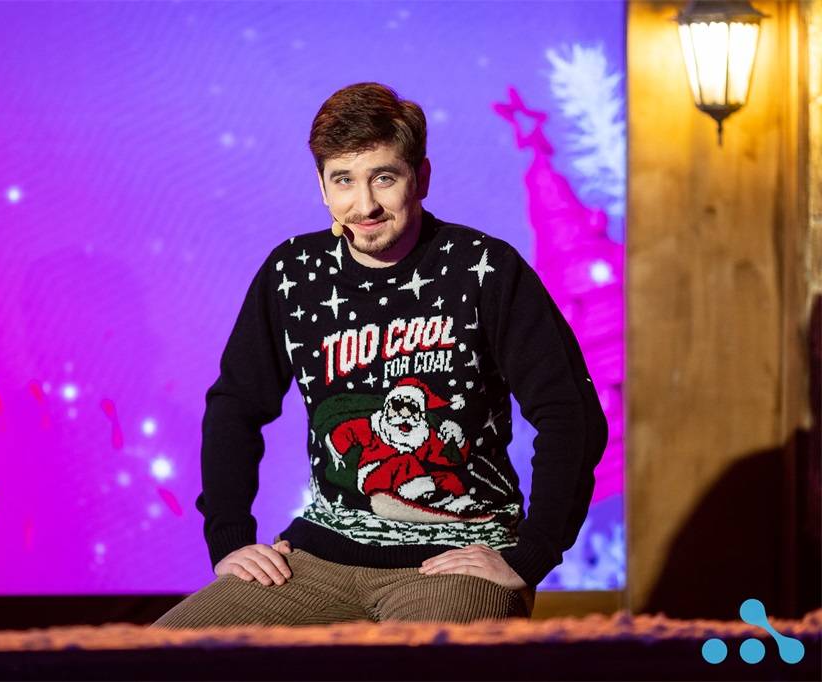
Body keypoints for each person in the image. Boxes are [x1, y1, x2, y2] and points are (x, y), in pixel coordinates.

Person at [154, 82, 607, 628]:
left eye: (384, 178)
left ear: (421, 178)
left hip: (457, 560)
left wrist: (532, 553)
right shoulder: (293, 274)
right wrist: (229, 537)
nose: (364, 204)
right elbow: (235, 406)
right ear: (322, 187)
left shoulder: (484, 269)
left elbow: (570, 413)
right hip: (318, 557)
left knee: (425, 661)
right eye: (343, 179)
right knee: (154, 655)